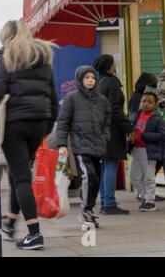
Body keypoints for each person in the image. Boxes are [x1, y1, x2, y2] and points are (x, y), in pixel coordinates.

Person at [0, 20, 58, 250]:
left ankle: (35, 234)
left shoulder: (5, 58)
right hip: (39, 124)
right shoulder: (44, 60)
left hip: (15, 125)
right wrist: (47, 127)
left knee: (21, 176)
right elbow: (54, 99)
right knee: (18, 172)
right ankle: (11, 222)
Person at [56, 66, 111, 228]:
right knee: (90, 176)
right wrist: (61, 144)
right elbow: (63, 122)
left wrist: (105, 138)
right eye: (87, 77)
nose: (90, 80)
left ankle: (89, 209)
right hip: (80, 145)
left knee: (95, 179)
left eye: (93, 78)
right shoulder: (71, 98)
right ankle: (86, 211)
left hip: (98, 146)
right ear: (80, 80)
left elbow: (107, 122)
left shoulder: (102, 100)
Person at [94, 54, 134, 215]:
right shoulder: (112, 82)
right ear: (110, 67)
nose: (116, 65)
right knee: (110, 165)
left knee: (105, 165)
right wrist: (128, 127)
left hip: (102, 128)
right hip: (113, 129)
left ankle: (105, 201)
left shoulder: (100, 82)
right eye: (114, 63)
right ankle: (109, 203)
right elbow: (115, 109)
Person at [128, 92, 165, 211]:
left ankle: (150, 201)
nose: (146, 104)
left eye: (149, 102)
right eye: (143, 101)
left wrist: (143, 135)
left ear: (155, 105)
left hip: (149, 151)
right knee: (133, 176)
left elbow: (161, 135)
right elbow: (129, 128)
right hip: (135, 150)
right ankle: (144, 196)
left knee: (148, 177)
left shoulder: (157, 119)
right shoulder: (135, 115)